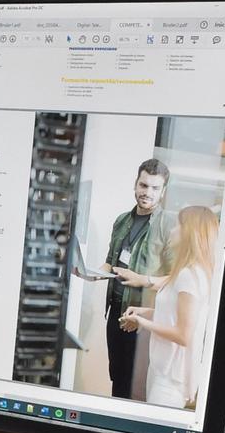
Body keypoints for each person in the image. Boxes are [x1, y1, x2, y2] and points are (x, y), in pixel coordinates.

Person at [87, 157, 177, 398]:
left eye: (154, 188)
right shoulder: (122, 220)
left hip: (143, 317)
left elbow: (176, 278)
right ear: (136, 184)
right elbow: (111, 262)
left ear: (163, 191)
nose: (147, 192)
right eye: (143, 185)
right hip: (116, 312)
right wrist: (92, 273)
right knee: (117, 375)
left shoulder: (168, 225)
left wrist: (143, 280)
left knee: (135, 385)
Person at [120, 204, 218, 409]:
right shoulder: (189, 272)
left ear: (190, 233)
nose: (172, 231)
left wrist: (142, 322)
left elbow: (183, 334)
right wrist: (144, 313)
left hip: (170, 379)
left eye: (178, 226)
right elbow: (175, 316)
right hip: (161, 369)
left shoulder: (189, 276)